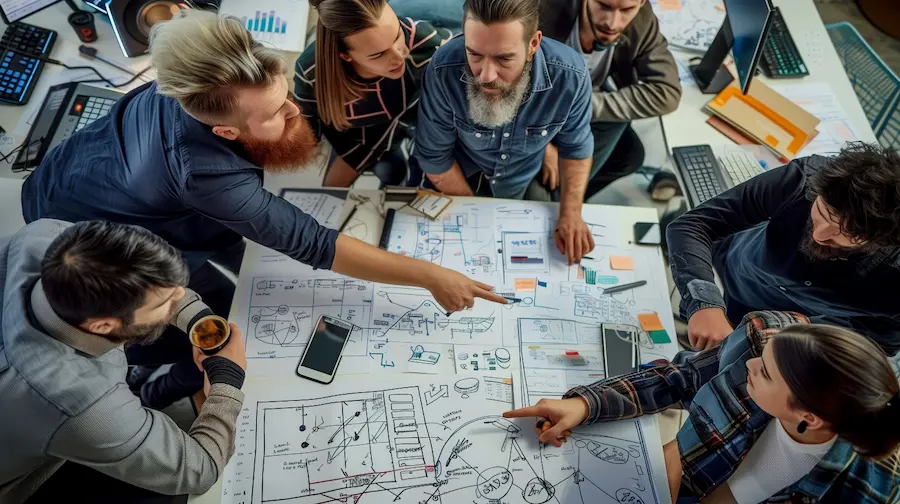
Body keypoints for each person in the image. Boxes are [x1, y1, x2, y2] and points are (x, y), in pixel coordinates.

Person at [22, 10, 505, 409]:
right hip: (82, 225)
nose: (296, 113)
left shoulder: (196, 82)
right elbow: (313, 243)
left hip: (83, 167)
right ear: (227, 133)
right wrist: (429, 276)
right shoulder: (206, 175)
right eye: (275, 114)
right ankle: (154, 376)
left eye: (284, 96)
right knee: (181, 311)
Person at [505, 311, 900, 503]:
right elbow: (679, 377)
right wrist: (584, 404)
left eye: (763, 373)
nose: (747, 364)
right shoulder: (764, 338)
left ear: (809, 417)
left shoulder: (866, 491)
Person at [0, 219, 247, 503]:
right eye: (165, 303)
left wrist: (198, 319)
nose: (180, 298)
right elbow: (200, 470)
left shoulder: (51, 237)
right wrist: (227, 381)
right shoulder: (80, 401)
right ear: (103, 326)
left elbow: (139, 279)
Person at [667, 142, 900, 353]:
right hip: (740, 264)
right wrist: (704, 303)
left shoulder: (893, 279)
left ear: (884, 240)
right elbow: (692, 225)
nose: (819, 235)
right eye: (820, 212)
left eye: (844, 233)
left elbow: (879, 342)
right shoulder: (807, 178)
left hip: (788, 326)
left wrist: (799, 348)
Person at [414, 0, 596, 264]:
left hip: (519, 179)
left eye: (503, 58)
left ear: (533, 44)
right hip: (458, 177)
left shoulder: (571, 76)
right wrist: (479, 214)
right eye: (474, 54)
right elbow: (433, 157)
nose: (486, 75)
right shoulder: (443, 68)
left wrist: (571, 214)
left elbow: (576, 147)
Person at [293, 0, 453, 187]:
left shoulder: (431, 46)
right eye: (378, 55)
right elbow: (308, 130)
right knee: (387, 171)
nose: (398, 56)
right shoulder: (312, 72)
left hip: (416, 127)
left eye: (397, 36)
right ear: (345, 55)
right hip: (354, 138)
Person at [538, 0, 680, 198]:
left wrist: (582, 107)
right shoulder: (541, 10)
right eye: (604, 6)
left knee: (629, 156)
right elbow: (500, 81)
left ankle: (572, 197)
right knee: (543, 193)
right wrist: (541, 144)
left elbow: (667, 93)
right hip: (531, 115)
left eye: (626, 10)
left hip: (573, 108)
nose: (613, 23)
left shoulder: (642, 19)